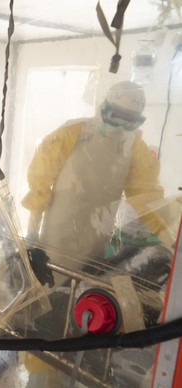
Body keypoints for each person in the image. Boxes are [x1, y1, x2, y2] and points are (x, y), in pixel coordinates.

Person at [21, 80, 171, 282]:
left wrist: (168, 238)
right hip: (58, 236)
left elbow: (147, 196)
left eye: (129, 121)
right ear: (104, 107)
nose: (120, 127)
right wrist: (32, 234)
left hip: (98, 237)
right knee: (50, 283)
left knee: (81, 287)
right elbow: (40, 183)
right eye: (115, 117)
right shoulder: (72, 133)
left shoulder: (135, 148)